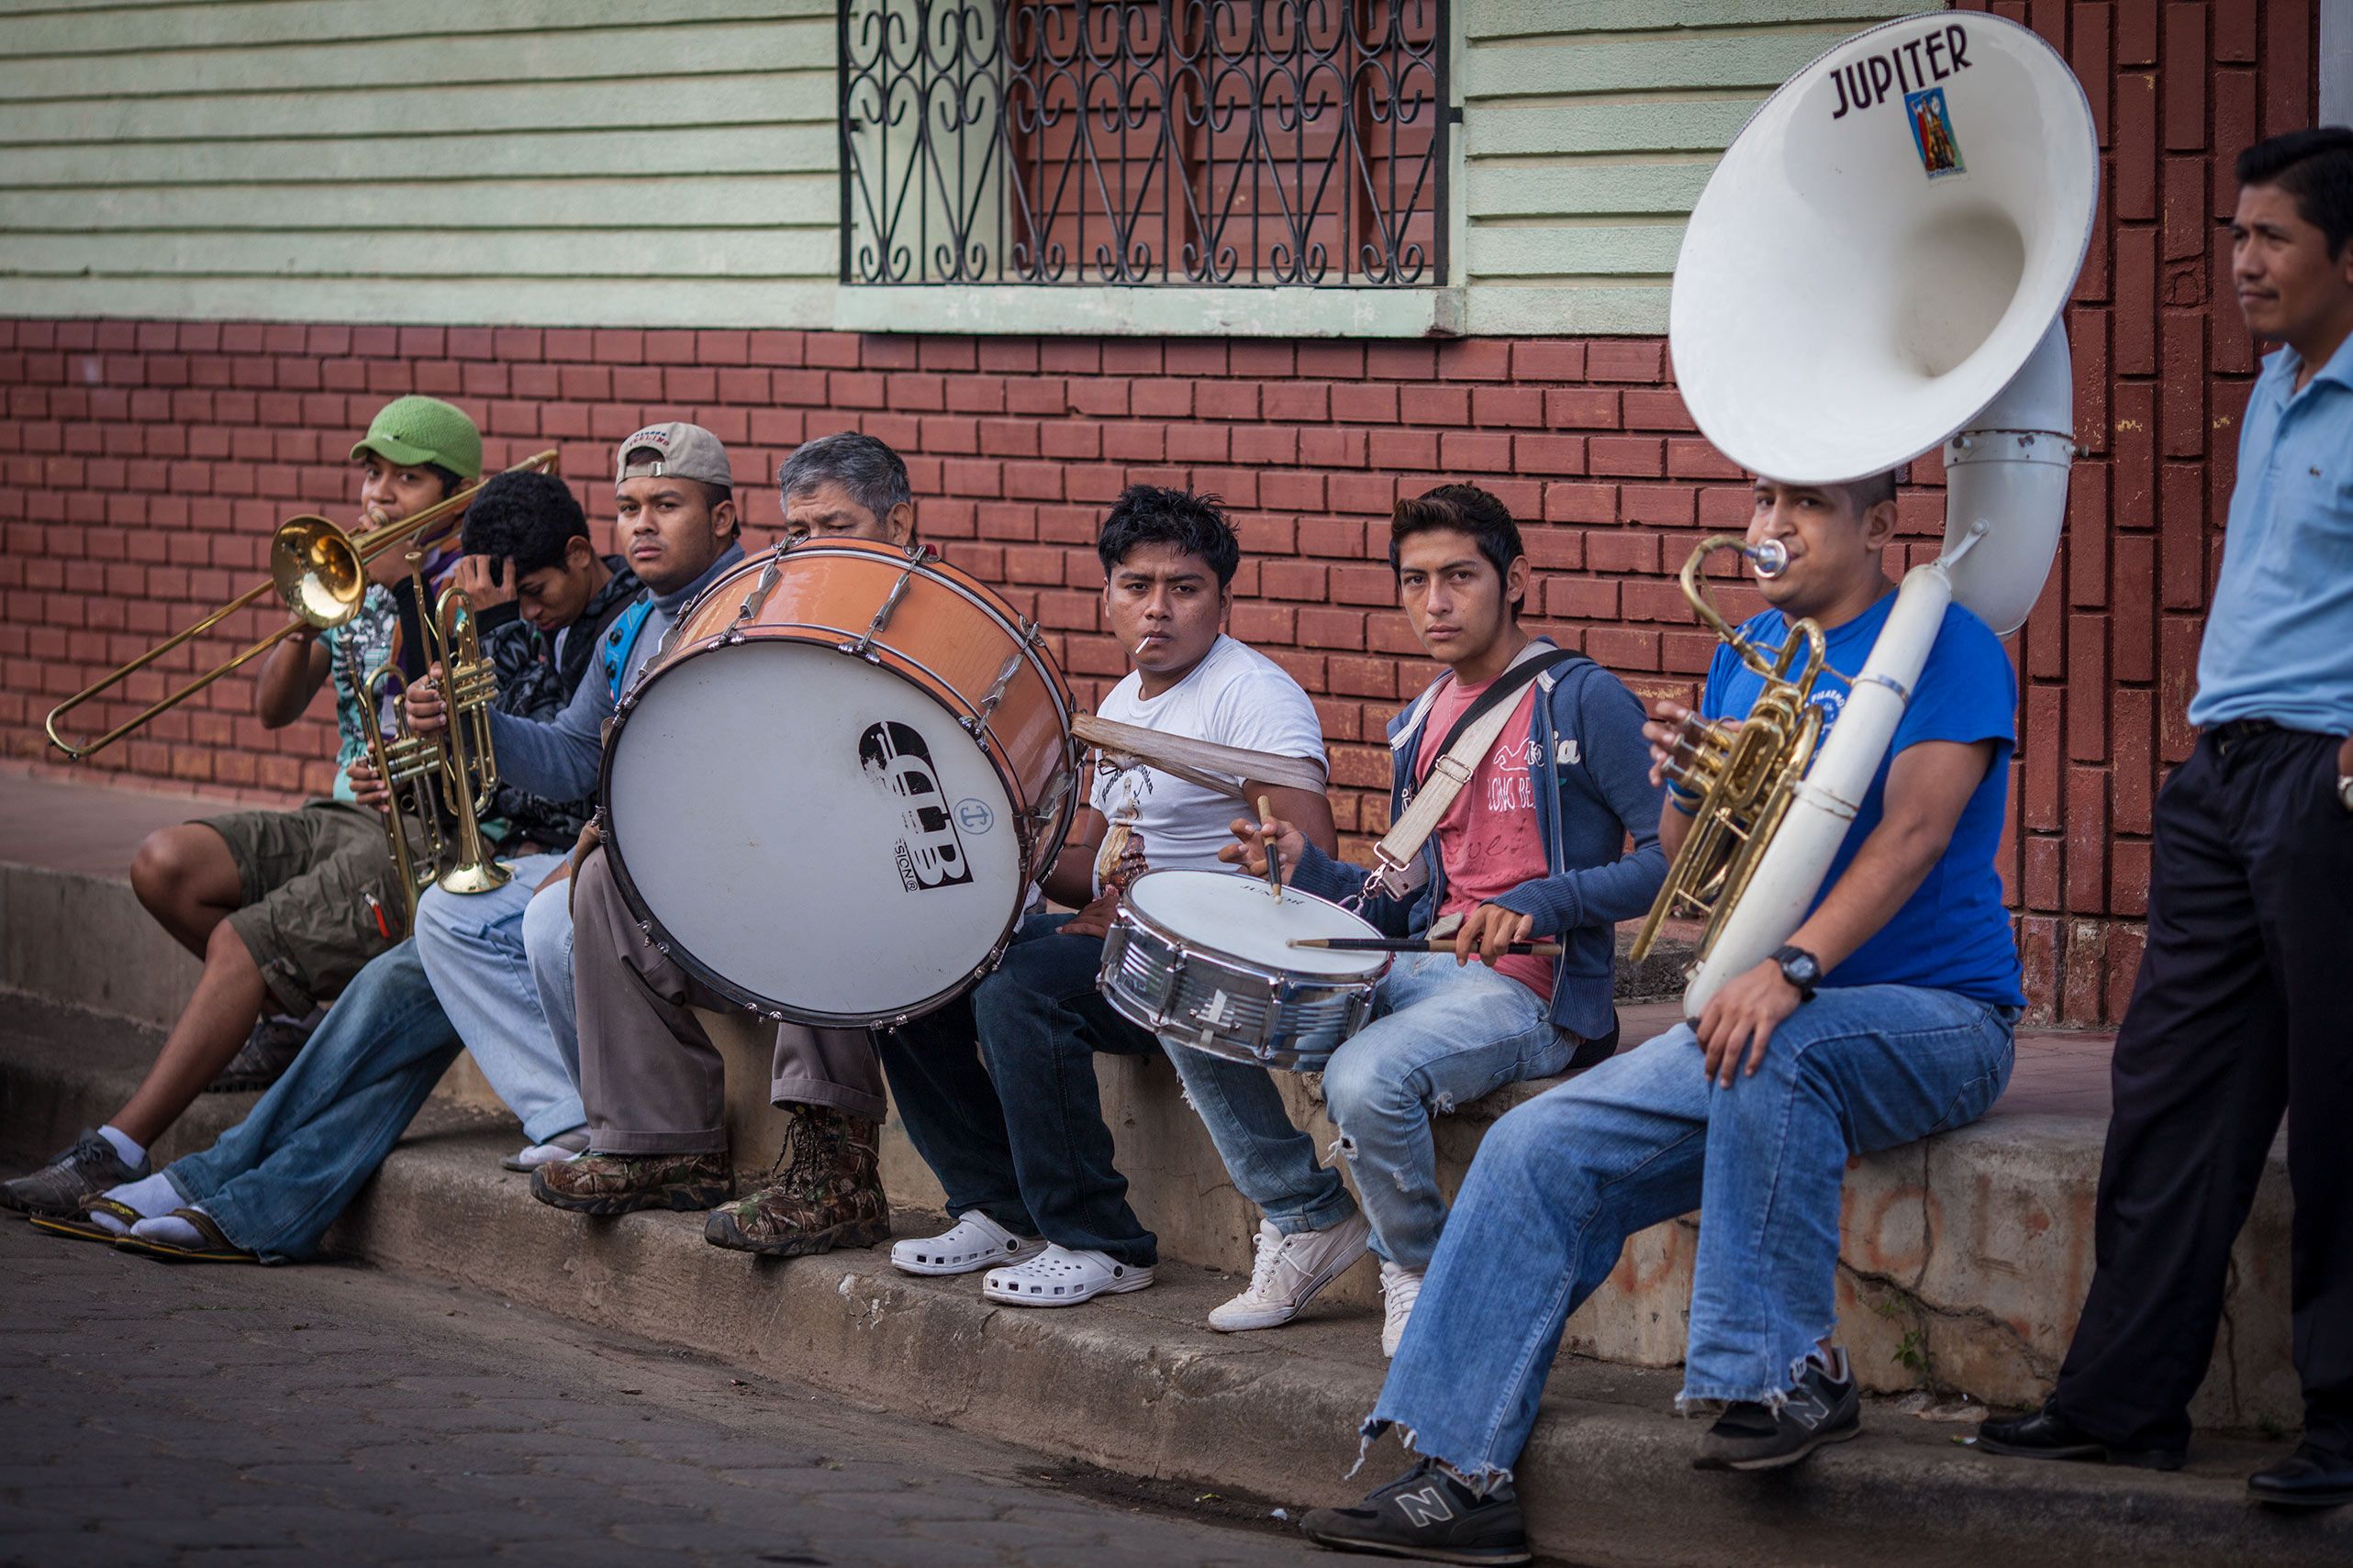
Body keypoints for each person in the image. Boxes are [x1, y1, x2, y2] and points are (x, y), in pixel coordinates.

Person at [1301, 470, 2023, 1562]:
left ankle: (1787, 1375)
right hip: (1767, 1014)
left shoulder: (1943, 641)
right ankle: (1461, 1472)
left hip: (1934, 1013)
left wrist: (1789, 966)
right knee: (1531, 1146)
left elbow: (1913, 834)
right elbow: (1689, 871)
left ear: (1878, 525)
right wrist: (1689, 785)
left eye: (1806, 506)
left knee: (1769, 1042)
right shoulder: (1743, 654)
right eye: (1762, 504)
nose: (1770, 529)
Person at [1977, 127, 2353, 1510]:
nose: (2241, 262)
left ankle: (2345, 1421)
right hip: (2225, 775)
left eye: (2272, 240)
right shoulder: (2273, 385)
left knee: (2341, 1107)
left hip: (2330, 779)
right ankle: (2126, 1401)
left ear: (2347, 256)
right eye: (2238, 233)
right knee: (2171, 1091)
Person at [25, 469, 633, 1261]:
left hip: (542, 876)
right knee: (382, 1020)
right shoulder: (539, 603)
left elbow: (560, 768)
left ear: (583, 555)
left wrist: (489, 630)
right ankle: (221, 1197)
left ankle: (214, 1192)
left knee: (381, 999)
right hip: (491, 881)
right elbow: (484, 755)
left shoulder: (619, 621)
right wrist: (418, 759)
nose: (527, 608)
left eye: (405, 475)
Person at [1177, 484, 1663, 1355]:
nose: (1433, 603)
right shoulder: (1419, 724)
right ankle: (1303, 1214)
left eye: (1458, 577)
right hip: (1422, 965)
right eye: (1413, 581)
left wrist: (1541, 900)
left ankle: (1420, 1271)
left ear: (1515, 580)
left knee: (1365, 1077)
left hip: (1531, 991)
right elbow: (1396, 899)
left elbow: (1672, 861)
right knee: (1203, 1007)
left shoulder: (1585, 700)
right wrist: (1308, 867)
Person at [1, 396, 482, 1219]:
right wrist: (302, 625)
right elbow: (272, 711)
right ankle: (286, 1018)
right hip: (340, 813)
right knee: (164, 865)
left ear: (456, 494)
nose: (380, 493)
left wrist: (404, 586)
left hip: (424, 834)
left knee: (239, 940)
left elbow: (471, 736)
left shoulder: (464, 585)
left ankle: (113, 1148)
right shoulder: (358, 581)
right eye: (374, 473)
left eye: (408, 479)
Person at [877, 484, 1338, 1307]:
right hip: (1118, 947)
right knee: (917, 975)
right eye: (1136, 586)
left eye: (1184, 588)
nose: (1157, 609)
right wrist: (999, 835)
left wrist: (1157, 907)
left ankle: (1101, 1242)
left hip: (1206, 970)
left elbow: (1310, 865)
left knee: (1020, 992)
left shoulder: (1252, 696)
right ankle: (996, 1203)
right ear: (1107, 597)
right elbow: (1088, 866)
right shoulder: (1126, 701)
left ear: (1224, 600)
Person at [533, 432, 925, 1249]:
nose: (813, 548)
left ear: (899, 523)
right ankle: (662, 1145)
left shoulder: (941, 620)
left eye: (837, 527)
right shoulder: (774, 610)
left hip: (904, 898)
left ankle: (838, 1175)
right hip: (773, 892)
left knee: (832, 855)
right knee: (609, 873)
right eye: (799, 530)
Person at [401, 423, 746, 1171]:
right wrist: (470, 722)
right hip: (624, 856)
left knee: (557, 917)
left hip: (724, 871)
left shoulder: (752, 608)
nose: (642, 523)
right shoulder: (631, 627)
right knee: (448, 911)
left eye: (666, 503)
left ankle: (659, 1131)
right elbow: (572, 756)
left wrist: (598, 844)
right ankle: (571, 1117)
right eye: (628, 506)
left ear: (721, 519)